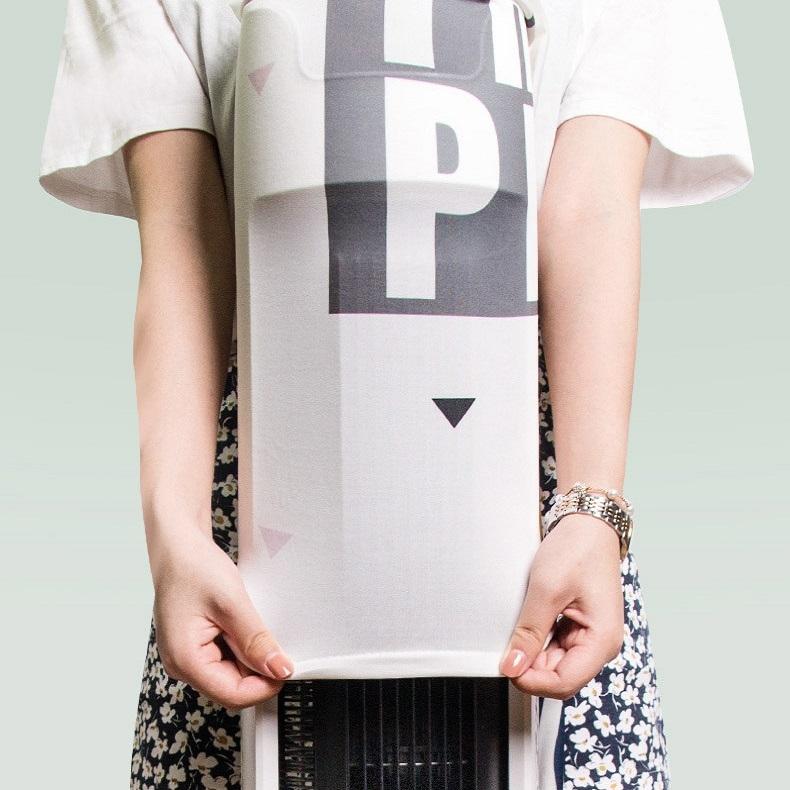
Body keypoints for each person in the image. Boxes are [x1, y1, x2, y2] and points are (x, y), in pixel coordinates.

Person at [38, 1, 753, 788]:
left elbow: (588, 212)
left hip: (543, 530)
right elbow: (183, 239)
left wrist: (593, 512)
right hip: (250, 538)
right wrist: (175, 536)